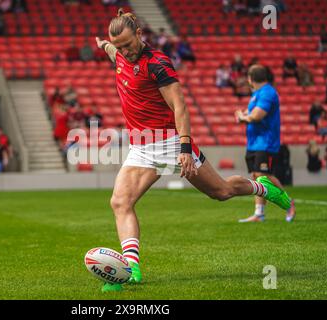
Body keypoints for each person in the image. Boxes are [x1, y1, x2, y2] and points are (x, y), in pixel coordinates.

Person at [94, 9, 293, 293]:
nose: (125, 51)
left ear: (139, 34)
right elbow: (112, 50)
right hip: (141, 146)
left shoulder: (157, 64)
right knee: (120, 202)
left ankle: (262, 188)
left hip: (171, 143)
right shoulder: (120, 54)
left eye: (128, 44)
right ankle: (131, 270)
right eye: (120, 46)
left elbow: (180, 107)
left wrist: (185, 149)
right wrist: (103, 44)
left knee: (221, 192)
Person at [234, 65, 295, 223]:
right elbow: (250, 114)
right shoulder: (257, 94)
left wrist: (243, 117)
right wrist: (243, 115)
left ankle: (288, 203)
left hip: (266, 142)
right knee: (256, 176)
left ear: (251, 78)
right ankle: (259, 213)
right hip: (254, 142)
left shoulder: (268, 92)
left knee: (264, 176)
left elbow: (257, 116)